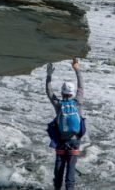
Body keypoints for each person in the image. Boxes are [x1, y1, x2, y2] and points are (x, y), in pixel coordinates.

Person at [46, 58, 84, 190]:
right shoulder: (77, 102)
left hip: (61, 142)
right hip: (74, 142)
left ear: (62, 93)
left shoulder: (58, 105)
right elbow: (81, 86)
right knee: (70, 174)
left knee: (59, 171)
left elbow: (49, 93)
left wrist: (49, 76)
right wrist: (77, 68)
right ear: (72, 93)